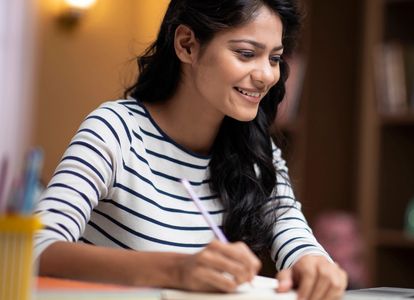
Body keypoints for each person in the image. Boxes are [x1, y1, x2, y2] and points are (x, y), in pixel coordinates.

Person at [33, 0, 347, 299]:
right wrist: (176, 269)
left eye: (275, 58)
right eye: (246, 53)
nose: (266, 75)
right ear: (187, 45)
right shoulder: (116, 131)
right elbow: (34, 249)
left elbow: (296, 240)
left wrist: (315, 264)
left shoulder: (255, 152)